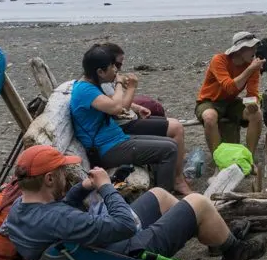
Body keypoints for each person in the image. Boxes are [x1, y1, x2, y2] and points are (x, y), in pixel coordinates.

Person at [1, 145, 266, 260]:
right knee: (196, 200)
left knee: (160, 194)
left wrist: (81, 188)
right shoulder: (60, 218)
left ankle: (215, 238)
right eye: (60, 172)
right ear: (48, 179)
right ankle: (233, 251)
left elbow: (61, 212)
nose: (63, 175)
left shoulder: (19, 213)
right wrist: (106, 187)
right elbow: (125, 225)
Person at [70, 45, 190, 195]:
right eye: (112, 67)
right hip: (106, 149)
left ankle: (162, 189)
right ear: (100, 72)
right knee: (169, 150)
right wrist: (123, 85)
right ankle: (161, 198)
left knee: (171, 143)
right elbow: (117, 108)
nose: (116, 70)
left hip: (115, 140)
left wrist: (134, 105)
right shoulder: (85, 90)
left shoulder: (92, 85)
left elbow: (118, 107)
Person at [195, 31, 264, 155]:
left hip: (231, 102)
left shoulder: (252, 66)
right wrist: (250, 69)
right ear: (239, 50)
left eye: (255, 47)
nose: (255, 51)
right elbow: (229, 87)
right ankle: (219, 160)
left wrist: (253, 103)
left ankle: (249, 157)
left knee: (256, 114)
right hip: (209, 101)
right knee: (210, 118)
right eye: (251, 48)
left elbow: (252, 93)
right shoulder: (219, 60)